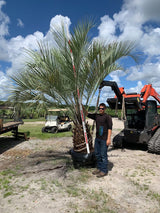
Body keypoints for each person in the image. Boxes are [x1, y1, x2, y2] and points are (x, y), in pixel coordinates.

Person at [83, 103, 112, 178]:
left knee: (103, 155)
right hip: (98, 139)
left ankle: (104, 170)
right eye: (99, 108)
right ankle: (99, 168)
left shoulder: (107, 117)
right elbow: (87, 114)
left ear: (105, 109)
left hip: (104, 139)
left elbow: (109, 129)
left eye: (102, 108)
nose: (100, 110)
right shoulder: (97, 116)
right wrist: (81, 107)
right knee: (97, 154)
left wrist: (108, 139)